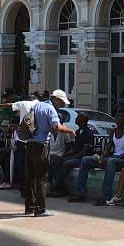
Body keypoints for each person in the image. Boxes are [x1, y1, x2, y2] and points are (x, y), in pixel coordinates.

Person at [12, 89, 74, 217]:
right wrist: (70, 131)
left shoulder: (37, 106)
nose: (62, 105)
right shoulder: (50, 109)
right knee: (41, 178)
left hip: (28, 144)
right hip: (41, 146)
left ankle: (29, 207)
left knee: (30, 177)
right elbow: (57, 127)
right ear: (56, 99)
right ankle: (40, 209)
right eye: (62, 102)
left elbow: (31, 123)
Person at [71, 109, 124, 205]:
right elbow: (108, 148)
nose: (118, 119)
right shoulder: (113, 131)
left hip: (122, 161)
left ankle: (105, 196)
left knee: (110, 161)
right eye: (116, 116)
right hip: (111, 159)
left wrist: (110, 158)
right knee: (86, 160)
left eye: (120, 117)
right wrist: (102, 156)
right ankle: (81, 193)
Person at [49, 113, 95, 197]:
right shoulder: (78, 132)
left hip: (83, 159)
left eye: (78, 117)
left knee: (67, 163)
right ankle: (59, 188)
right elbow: (74, 149)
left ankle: (57, 187)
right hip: (76, 157)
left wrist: (69, 158)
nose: (76, 119)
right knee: (57, 160)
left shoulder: (88, 134)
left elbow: (84, 153)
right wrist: (64, 156)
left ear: (83, 121)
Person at [47, 117, 75, 192]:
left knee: (54, 160)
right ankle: (49, 185)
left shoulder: (64, 132)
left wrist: (64, 155)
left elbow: (69, 147)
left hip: (60, 155)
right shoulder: (49, 131)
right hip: (50, 155)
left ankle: (56, 187)